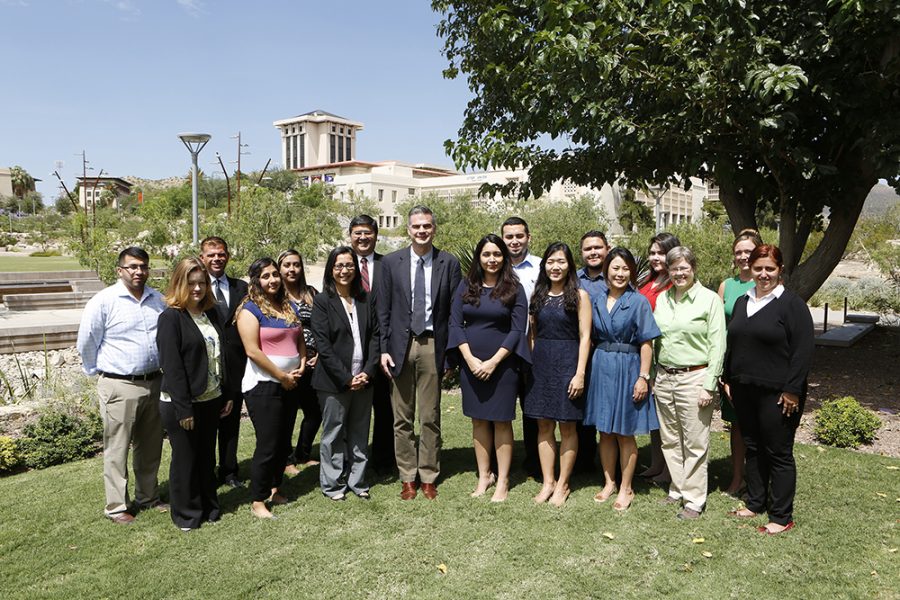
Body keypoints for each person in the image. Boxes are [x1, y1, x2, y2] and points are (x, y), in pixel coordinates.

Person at [723, 245, 814, 534]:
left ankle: (781, 516)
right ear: (749, 268)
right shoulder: (742, 301)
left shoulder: (792, 305)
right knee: (753, 447)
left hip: (778, 394)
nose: (763, 274)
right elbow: (735, 341)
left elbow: (802, 353)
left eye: (769, 269)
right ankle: (755, 502)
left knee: (778, 452)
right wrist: (727, 377)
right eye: (758, 268)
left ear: (780, 270)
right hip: (743, 389)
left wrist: (792, 390)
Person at [76, 247, 167, 524]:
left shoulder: (157, 299)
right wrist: (98, 373)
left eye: (143, 266)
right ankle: (116, 506)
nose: (139, 272)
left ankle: (147, 496)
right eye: (132, 267)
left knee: (150, 446)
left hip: (154, 381)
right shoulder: (104, 301)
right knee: (117, 448)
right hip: (119, 385)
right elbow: (87, 341)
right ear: (120, 270)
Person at [378, 205, 462, 500]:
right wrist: (383, 350)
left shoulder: (448, 263)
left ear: (433, 228)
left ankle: (428, 475)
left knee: (430, 416)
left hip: (432, 346)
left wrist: (451, 355)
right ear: (408, 230)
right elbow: (383, 310)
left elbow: (454, 313)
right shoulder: (390, 263)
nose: (422, 231)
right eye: (416, 226)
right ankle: (407, 476)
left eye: (427, 226)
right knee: (402, 418)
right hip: (400, 347)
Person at [448, 234, 530, 502]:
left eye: (497, 254)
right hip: (471, 364)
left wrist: (494, 361)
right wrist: (470, 360)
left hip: (503, 366)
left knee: (502, 421)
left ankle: (503, 480)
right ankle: (485, 475)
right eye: (486, 254)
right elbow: (454, 324)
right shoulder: (466, 286)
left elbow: (518, 330)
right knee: (479, 420)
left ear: (504, 257)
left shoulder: (514, 289)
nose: (492, 259)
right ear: (479, 257)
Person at [157, 258, 234, 531]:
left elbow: (220, 357)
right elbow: (173, 367)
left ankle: (209, 507)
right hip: (182, 403)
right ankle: (186, 514)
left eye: (201, 283)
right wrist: (184, 409)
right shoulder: (170, 317)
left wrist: (226, 393)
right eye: (191, 283)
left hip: (211, 398)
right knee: (185, 460)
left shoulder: (211, 313)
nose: (198, 288)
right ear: (179, 284)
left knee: (206, 457)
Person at [584, 248, 661, 511]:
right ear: (606, 270)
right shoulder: (595, 300)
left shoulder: (638, 301)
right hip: (601, 366)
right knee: (604, 430)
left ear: (631, 272)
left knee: (625, 432)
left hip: (628, 368)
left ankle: (627, 488)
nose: (620, 273)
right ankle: (609, 482)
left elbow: (647, 343)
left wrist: (643, 377)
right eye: (615, 268)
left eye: (625, 268)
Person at [652, 246, 726, 519]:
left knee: (695, 441)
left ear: (693, 268)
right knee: (670, 439)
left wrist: (710, 384)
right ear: (668, 271)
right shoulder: (662, 299)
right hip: (664, 376)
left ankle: (694, 500)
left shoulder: (709, 300)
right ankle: (677, 488)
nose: (679, 273)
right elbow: (655, 340)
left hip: (695, 377)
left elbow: (718, 345)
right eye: (674, 268)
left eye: (684, 267)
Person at [236, 258, 307, 519]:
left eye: (275, 275)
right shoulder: (250, 310)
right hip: (264, 385)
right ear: (256, 280)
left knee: (282, 443)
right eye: (265, 276)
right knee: (267, 444)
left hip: (290, 382)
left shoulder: (287, 307)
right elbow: (252, 351)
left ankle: (275, 488)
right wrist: (281, 375)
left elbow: (299, 338)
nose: (273, 280)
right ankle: (258, 499)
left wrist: (300, 365)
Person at [524, 242, 591, 507]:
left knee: (567, 425)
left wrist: (580, 373)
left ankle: (563, 483)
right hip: (541, 365)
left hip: (568, 363)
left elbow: (586, 337)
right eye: (550, 261)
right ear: (544, 266)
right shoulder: (537, 295)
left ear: (569, 265)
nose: (555, 266)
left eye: (561, 261)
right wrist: (532, 362)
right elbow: (532, 332)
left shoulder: (579, 296)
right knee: (543, 425)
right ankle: (548, 481)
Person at [311, 247, 380, 500]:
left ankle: (357, 481)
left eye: (349, 265)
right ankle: (332, 484)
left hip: (363, 380)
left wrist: (368, 372)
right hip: (333, 382)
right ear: (331, 269)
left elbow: (375, 337)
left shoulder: (365, 299)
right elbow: (323, 345)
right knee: (334, 433)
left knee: (360, 433)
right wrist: (346, 378)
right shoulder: (322, 301)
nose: (344, 270)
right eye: (339, 265)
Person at [199, 236, 249, 489]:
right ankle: (206, 472)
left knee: (230, 423)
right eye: (211, 254)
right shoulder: (196, 287)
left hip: (237, 365)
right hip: (206, 366)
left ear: (227, 256)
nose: (217, 258)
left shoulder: (242, 287)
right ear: (202, 258)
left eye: (221, 254)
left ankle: (229, 471)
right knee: (207, 425)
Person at [717, 229, 763, 497]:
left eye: (748, 251)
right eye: (739, 252)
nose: (744, 256)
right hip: (732, 365)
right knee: (737, 424)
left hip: (759, 365)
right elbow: (718, 327)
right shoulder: (727, 285)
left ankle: (759, 480)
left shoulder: (766, 283)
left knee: (759, 425)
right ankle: (738, 479)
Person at [349, 214, 394, 476]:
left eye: (367, 233)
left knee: (385, 407)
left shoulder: (387, 264)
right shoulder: (342, 264)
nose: (363, 238)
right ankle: (351, 458)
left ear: (376, 235)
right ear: (350, 236)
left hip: (384, 346)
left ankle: (383, 459)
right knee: (352, 407)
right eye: (358, 233)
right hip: (353, 347)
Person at [636, 231, 681, 484]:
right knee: (655, 417)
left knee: (666, 419)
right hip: (644, 353)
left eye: (660, 253)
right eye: (652, 252)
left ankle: (669, 470)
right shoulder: (647, 280)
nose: (655, 257)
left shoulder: (675, 284)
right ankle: (656, 463)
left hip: (662, 356)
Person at [500, 216, 542, 478]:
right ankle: (498, 461)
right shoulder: (494, 265)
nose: (514, 241)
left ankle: (535, 461)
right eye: (509, 237)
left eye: (519, 236)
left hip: (531, 346)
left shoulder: (540, 267)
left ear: (528, 237)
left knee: (532, 408)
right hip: (499, 349)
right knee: (500, 407)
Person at [277, 249, 322, 473]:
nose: (292, 269)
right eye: (287, 265)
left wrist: (320, 354)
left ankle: (303, 454)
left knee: (315, 411)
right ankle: (285, 460)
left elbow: (324, 326)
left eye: (296, 264)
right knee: (287, 413)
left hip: (313, 363)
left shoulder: (312, 293)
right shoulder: (275, 296)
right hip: (288, 364)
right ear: (279, 268)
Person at [573, 230, 613, 473]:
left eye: (598, 247)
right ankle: (584, 460)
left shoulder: (617, 277)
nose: (593, 252)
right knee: (581, 408)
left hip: (607, 351)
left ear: (607, 249)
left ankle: (610, 462)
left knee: (607, 407)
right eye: (588, 249)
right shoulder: (575, 279)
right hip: (580, 351)